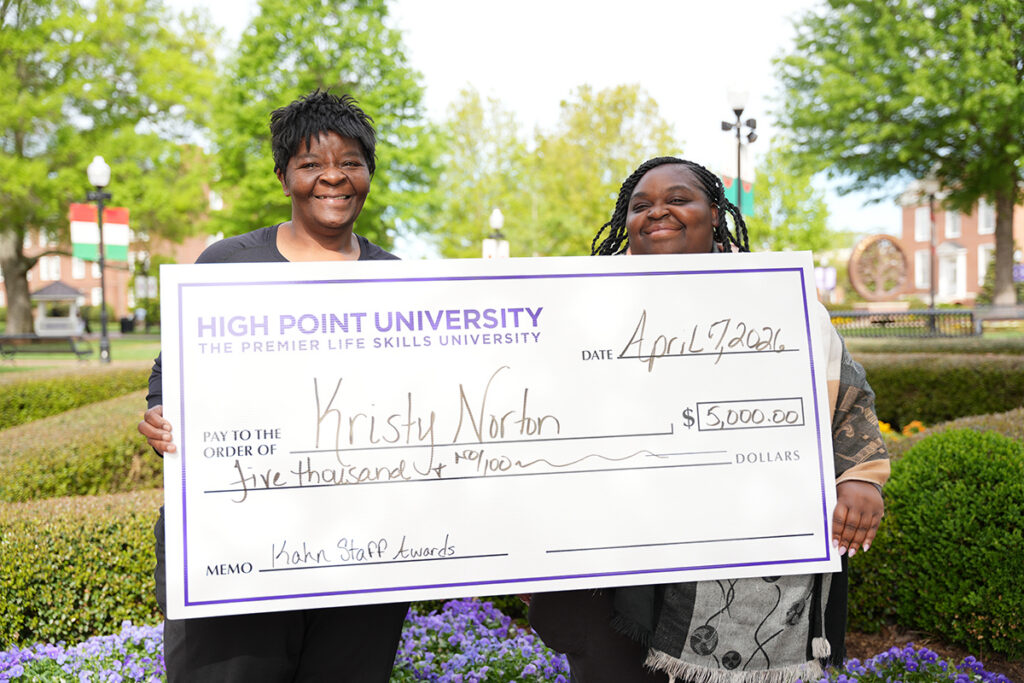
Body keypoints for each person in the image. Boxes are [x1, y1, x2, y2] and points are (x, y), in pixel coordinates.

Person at [528, 157, 890, 683]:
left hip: (729, 547)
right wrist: (521, 540)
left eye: (678, 199)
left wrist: (859, 477)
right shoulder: (582, 306)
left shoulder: (778, 303)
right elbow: (534, 413)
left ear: (715, 214)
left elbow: (846, 392)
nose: (658, 213)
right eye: (641, 205)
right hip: (609, 548)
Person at [136, 90, 408, 682]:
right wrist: (162, 414)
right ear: (284, 175)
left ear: (368, 173)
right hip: (237, 551)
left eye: (350, 163)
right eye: (311, 164)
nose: (333, 178)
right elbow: (171, 373)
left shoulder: (395, 279)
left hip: (358, 556)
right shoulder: (226, 266)